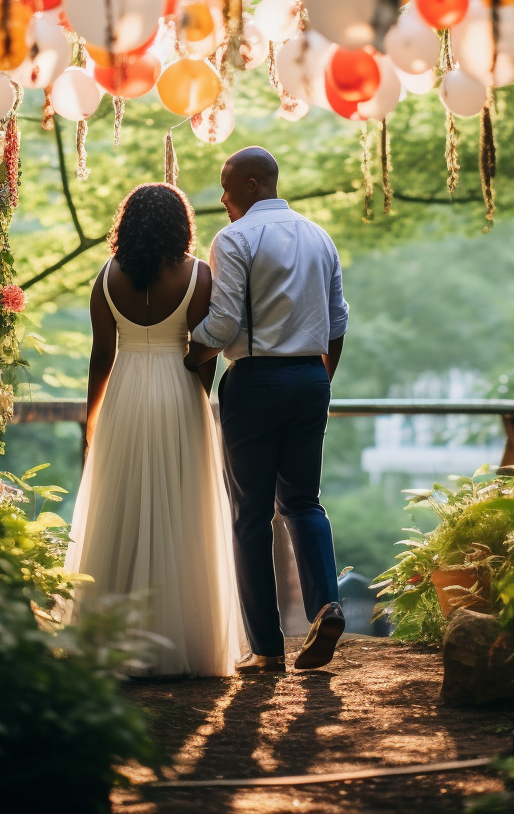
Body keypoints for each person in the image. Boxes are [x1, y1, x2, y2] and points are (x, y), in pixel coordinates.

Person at [65, 183, 242, 677]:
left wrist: (92, 417)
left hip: (123, 392)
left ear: (128, 224)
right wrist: (200, 399)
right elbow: (203, 347)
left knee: (118, 506)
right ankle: (182, 639)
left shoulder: (105, 278)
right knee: (183, 509)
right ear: (180, 224)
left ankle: (111, 639)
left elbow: (101, 355)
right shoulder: (199, 275)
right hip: (179, 389)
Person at [184, 146, 349, 675]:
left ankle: (267, 649)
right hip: (310, 378)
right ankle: (327, 606)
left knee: (250, 516)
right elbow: (338, 323)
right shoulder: (320, 236)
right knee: (304, 502)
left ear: (252, 184)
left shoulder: (234, 239)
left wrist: (188, 348)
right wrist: (320, 379)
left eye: (227, 188)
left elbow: (225, 324)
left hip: (255, 382)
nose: (224, 199)